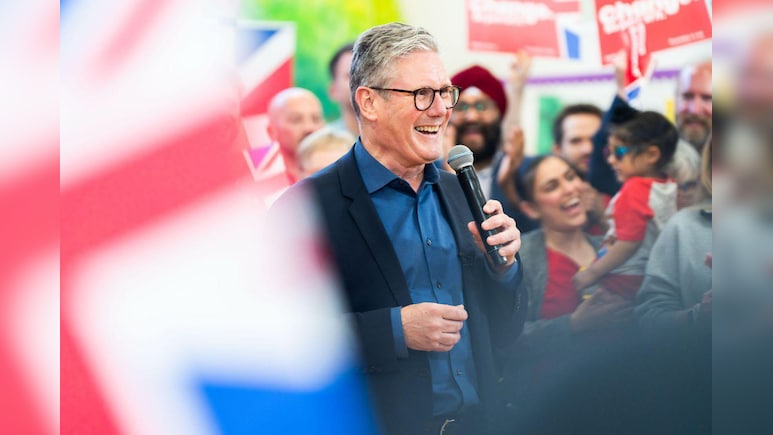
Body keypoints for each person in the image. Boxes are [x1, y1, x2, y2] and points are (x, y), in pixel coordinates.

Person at [271, 23, 527, 435]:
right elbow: (281, 339)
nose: (441, 109)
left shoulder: (461, 191)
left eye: (445, 92)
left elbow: (505, 330)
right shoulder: (305, 209)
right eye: (422, 94)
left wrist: (506, 268)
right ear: (369, 102)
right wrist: (393, 331)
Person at [573, 111, 678, 300]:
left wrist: (591, 273)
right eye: (608, 152)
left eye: (619, 152)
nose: (611, 160)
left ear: (651, 155)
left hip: (625, 278)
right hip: (652, 273)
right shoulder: (669, 184)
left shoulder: (635, 188)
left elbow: (628, 243)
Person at [589, 56, 712, 197]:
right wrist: (622, 92)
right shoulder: (659, 146)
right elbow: (603, 177)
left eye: (707, 98)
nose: (694, 109)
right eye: (687, 97)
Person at [450, 63, 539, 233]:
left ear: (499, 113)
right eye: (462, 107)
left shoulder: (525, 170)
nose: (471, 117)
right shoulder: (430, 174)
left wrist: (508, 184)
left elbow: (539, 232)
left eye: (481, 106)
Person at [636, 136, 712, 333]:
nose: (679, 194)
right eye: (668, 186)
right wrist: (699, 316)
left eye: (688, 185)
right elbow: (648, 316)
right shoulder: (682, 227)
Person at [245, 87, 324, 187]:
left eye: (316, 119)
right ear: (271, 132)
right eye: (296, 120)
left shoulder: (336, 171)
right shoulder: (255, 183)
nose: (309, 128)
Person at [551, 104, 608, 234]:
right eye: (576, 141)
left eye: (595, 140)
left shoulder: (628, 189)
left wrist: (603, 216)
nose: (587, 149)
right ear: (558, 150)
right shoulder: (544, 199)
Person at [327, 43, 359, 137]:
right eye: (351, 76)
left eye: (366, 75)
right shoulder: (323, 142)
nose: (361, 82)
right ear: (333, 90)